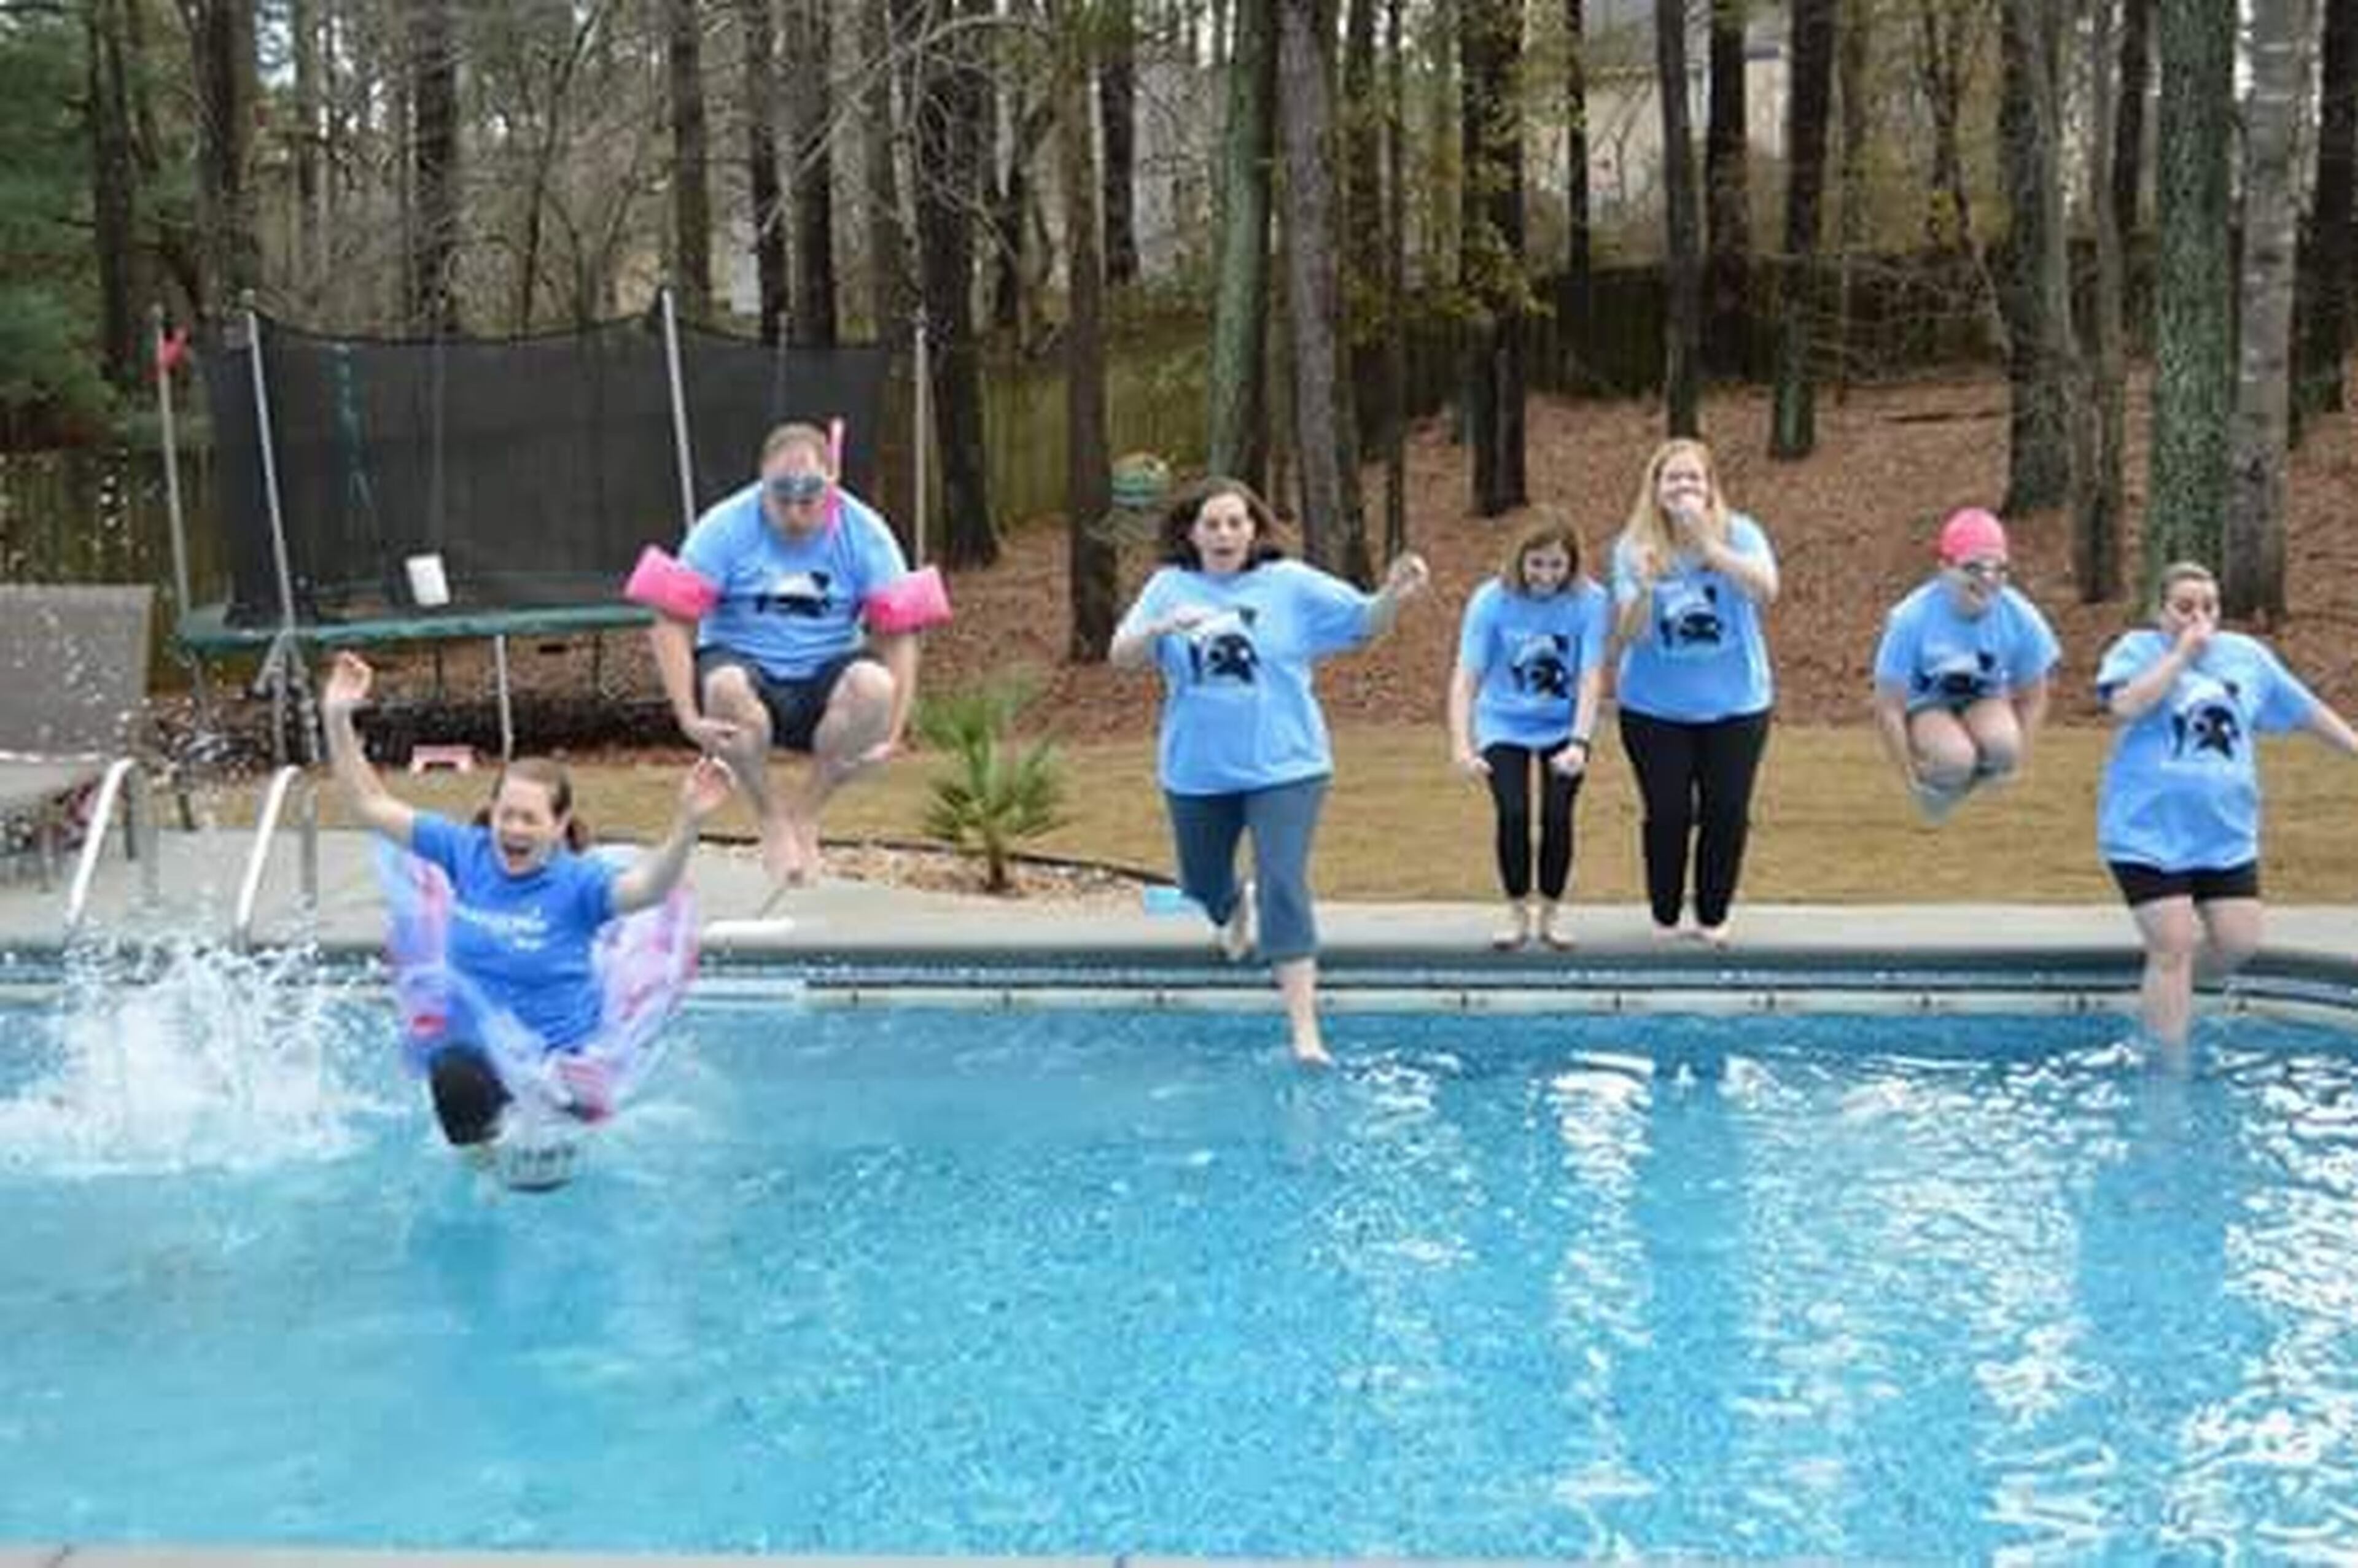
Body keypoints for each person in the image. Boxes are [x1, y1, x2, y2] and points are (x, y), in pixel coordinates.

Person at [322, 651, 730, 1161]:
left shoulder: (578, 884)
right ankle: (481, 1174)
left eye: (530, 819)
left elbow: (648, 888)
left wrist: (689, 821)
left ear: (559, 826)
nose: (513, 829)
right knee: (453, 1078)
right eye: (506, 815)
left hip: (560, 1068)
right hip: (485, 1055)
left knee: (550, 1176)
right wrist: (337, 716)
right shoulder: (465, 852)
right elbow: (370, 805)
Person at [1109, 478, 1430, 1066]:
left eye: (1236, 523)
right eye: (1213, 524)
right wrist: (1158, 630)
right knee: (1200, 882)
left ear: (1254, 529)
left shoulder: (1290, 584)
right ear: (1192, 533)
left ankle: (1305, 1031)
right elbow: (1119, 655)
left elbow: (1365, 621)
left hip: (1288, 763)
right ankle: (1231, 906)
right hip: (1198, 768)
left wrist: (1393, 592)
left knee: (1283, 879)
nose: (1225, 534)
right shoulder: (1168, 587)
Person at [644, 421, 929, 888]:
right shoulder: (724, 527)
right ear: (762, 484)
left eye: (809, 499)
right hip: (744, 665)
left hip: (825, 676)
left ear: (831, 486)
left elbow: (900, 632)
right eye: (782, 499)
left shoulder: (865, 532)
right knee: (725, 686)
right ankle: (770, 815)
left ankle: (806, 813)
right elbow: (669, 620)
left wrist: (893, 731)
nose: (796, 513)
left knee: (875, 686)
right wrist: (688, 717)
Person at [2095, 561, 2358, 1054]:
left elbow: (2306, 709)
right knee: (2171, 944)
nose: (2199, 618)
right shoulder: (2137, 650)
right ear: (2160, 610)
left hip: (2224, 836)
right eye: (2185, 607)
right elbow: (2126, 706)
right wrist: (2180, 658)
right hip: (2148, 832)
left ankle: (2160, 994)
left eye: (2209, 607)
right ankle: (2165, 1072)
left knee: (2239, 943)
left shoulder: (2246, 658)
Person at [1608, 438, 1779, 945]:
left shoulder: (1742, 533)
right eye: (1673, 478)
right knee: (1669, 814)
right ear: (1656, 489)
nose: (1683, 487)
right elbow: (1630, 634)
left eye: (1693, 478)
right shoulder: (1632, 546)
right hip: (1654, 709)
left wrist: (1710, 549)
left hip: (1736, 705)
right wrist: (1640, 587)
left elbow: (1767, 590)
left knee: (1727, 811)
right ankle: (1664, 915)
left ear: (1710, 489)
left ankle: (1713, 914)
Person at [1447, 509, 1610, 950]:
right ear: (1520, 560)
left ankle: (1552, 912)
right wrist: (1463, 745)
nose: (1546, 574)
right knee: (1514, 813)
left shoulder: (1590, 601)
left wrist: (1580, 741)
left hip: (1563, 721)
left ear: (1571, 564)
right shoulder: (1491, 600)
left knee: (1558, 814)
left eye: (1557, 565)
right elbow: (1467, 676)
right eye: (1537, 563)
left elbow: (1591, 675)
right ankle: (1518, 911)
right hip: (1503, 721)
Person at [1871, 506, 2060, 823]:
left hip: (1985, 698)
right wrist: (1910, 779)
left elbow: (2034, 695)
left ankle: (1975, 799)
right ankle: (1942, 786)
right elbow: (1888, 705)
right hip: (1925, 703)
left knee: (2003, 746)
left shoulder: (2021, 616)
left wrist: (2013, 763)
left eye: (1999, 569)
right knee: (1954, 760)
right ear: (1944, 567)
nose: (1987, 579)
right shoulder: (1910, 618)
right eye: (1973, 568)